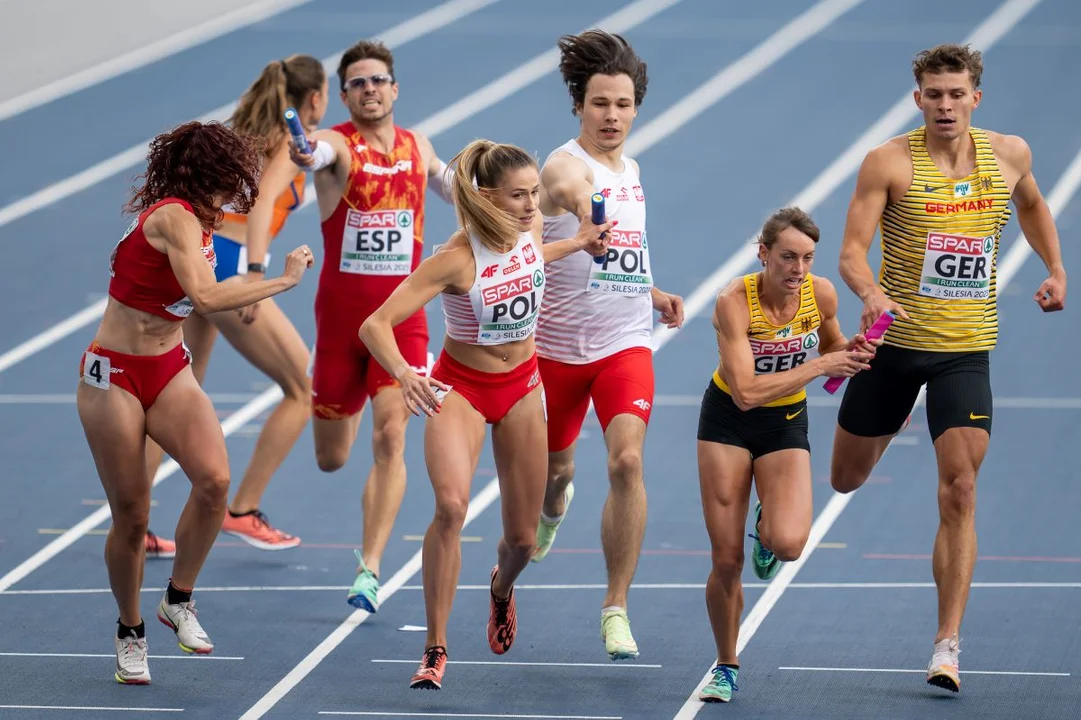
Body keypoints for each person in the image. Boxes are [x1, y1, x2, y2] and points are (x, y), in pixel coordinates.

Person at [830, 43, 1067, 693]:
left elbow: (1030, 205)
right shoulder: (887, 163)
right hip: (896, 347)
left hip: (964, 349)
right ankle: (888, 416)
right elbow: (852, 251)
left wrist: (1052, 266)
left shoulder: (1009, 154)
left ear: (974, 99)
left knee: (959, 489)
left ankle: (946, 645)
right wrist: (870, 293)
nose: (943, 104)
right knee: (846, 478)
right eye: (932, 94)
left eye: (954, 94)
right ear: (917, 99)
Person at [358, 139, 610, 690]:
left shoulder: (534, 230)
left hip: (521, 389)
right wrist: (405, 372)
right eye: (518, 197)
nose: (531, 206)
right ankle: (435, 647)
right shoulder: (453, 259)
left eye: (534, 195)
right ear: (486, 199)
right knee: (451, 507)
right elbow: (374, 325)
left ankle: (500, 589)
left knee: (522, 541)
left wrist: (581, 243)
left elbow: (530, 260)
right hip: (461, 389)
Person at [76, 121, 314, 685]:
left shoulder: (202, 219)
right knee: (132, 516)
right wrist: (280, 281)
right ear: (209, 174)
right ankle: (130, 630)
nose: (238, 188)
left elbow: (195, 297)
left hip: (167, 369)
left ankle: (177, 599)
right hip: (113, 375)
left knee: (213, 481)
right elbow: (206, 297)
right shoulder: (175, 217)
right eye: (232, 177)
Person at [528, 29, 684, 661]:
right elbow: (566, 191)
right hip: (556, 351)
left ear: (636, 107)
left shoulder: (634, 170)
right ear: (578, 106)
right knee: (557, 471)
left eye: (622, 104)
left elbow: (622, 253)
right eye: (599, 103)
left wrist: (653, 292)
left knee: (626, 463)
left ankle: (615, 605)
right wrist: (579, 207)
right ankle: (551, 506)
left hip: (623, 342)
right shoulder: (564, 166)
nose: (611, 115)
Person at [289, 39, 454, 613]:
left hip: (401, 325)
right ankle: (346, 404)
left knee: (392, 434)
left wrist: (497, 199)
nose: (370, 89)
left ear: (395, 88)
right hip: (340, 331)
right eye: (357, 83)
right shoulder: (340, 144)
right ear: (345, 94)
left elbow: (452, 186)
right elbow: (320, 155)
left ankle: (370, 568)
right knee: (332, 457)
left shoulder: (418, 144)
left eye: (378, 80)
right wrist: (306, 153)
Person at [142, 54, 329, 553]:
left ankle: (133, 521)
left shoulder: (242, 132)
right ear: (314, 99)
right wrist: (254, 271)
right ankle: (242, 510)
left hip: (203, 256)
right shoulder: (287, 143)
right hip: (232, 262)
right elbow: (265, 200)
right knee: (301, 386)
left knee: (176, 397)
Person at [695, 207, 877, 703]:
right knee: (726, 560)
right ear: (764, 254)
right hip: (728, 422)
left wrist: (853, 352)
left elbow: (835, 346)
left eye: (808, 259)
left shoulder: (819, 293)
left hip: (785, 423)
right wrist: (822, 363)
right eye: (788, 258)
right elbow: (747, 392)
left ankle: (767, 527)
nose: (798, 270)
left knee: (790, 543)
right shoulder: (734, 300)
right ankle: (726, 664)